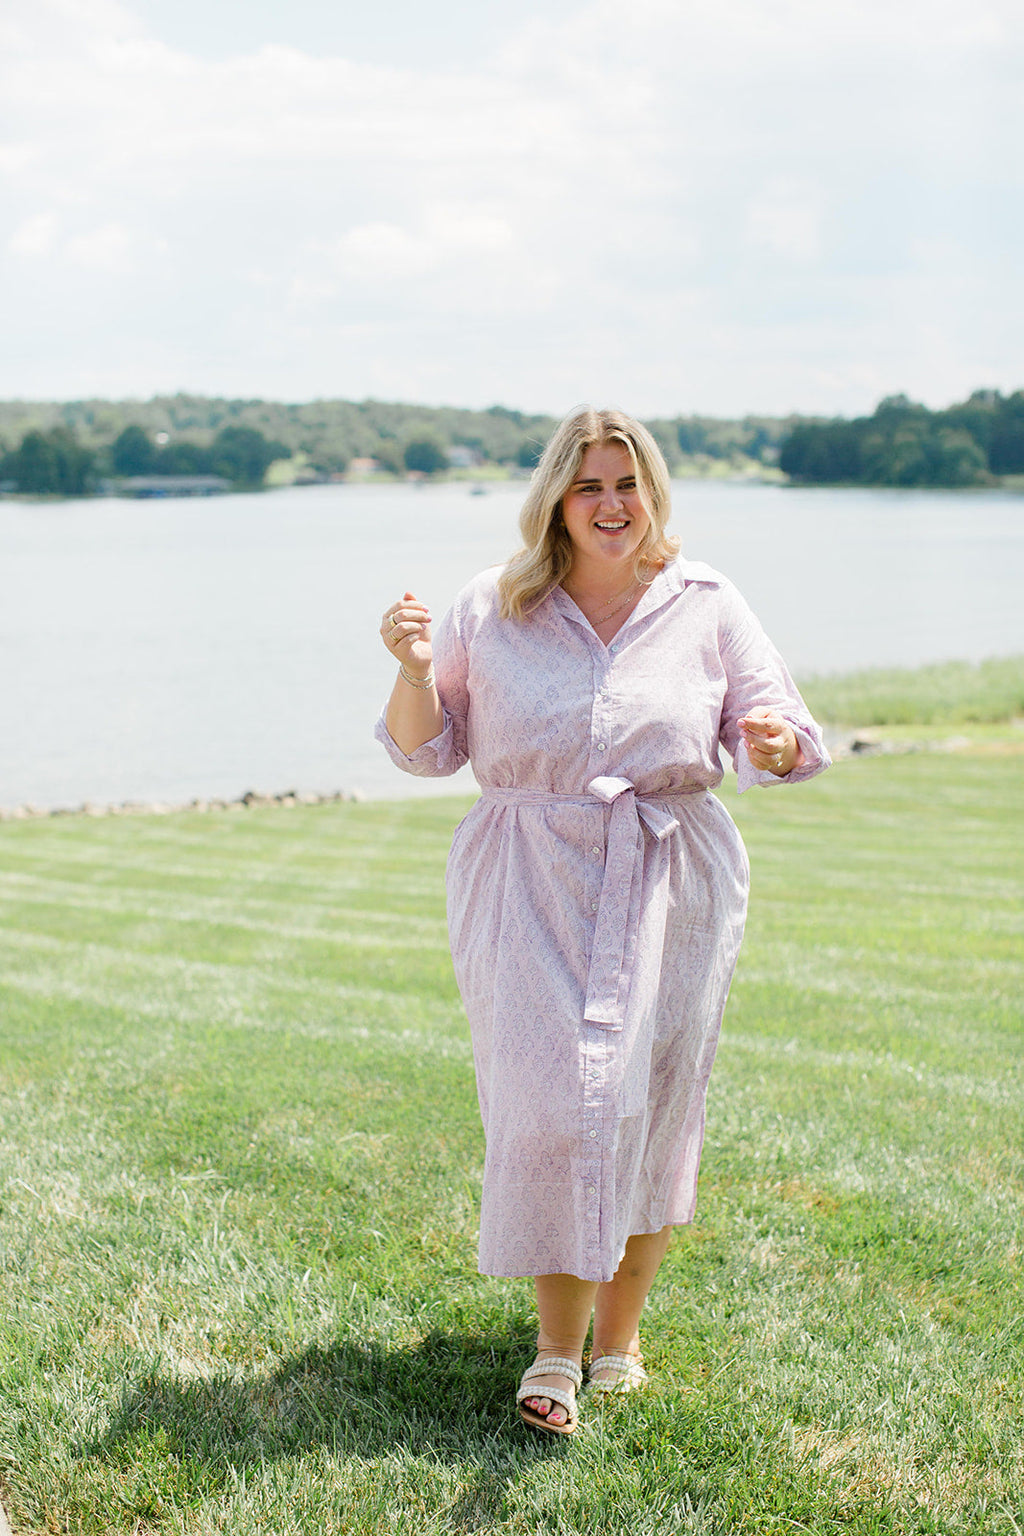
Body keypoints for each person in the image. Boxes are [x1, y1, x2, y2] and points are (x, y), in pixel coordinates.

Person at [375, 406, 831, 1435]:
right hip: (526, 874)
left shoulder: (706, 602)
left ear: (654, 491)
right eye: (589, 486)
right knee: (552, 1103)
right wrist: (410, 670)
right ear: (555, 498)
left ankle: (618, 1338)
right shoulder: (489, 605)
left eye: (627, 484)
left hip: (670, 878)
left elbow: (793, 733)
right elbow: (422, 751)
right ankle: (554, 1348)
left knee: (648, 1105)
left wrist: (767, 744)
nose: (610, 505)